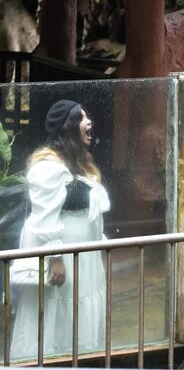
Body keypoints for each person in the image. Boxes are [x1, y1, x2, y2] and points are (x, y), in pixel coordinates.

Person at [11, 99, 109, 360]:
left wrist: (101, 243)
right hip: (62, 255)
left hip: (83, 257)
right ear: (68, 127)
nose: (89, 122)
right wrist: (55, 257)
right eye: (82, 118)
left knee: (78, 307)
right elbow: (43, 216)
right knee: (57, 310)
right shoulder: (48, 167)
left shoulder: (78, 163)